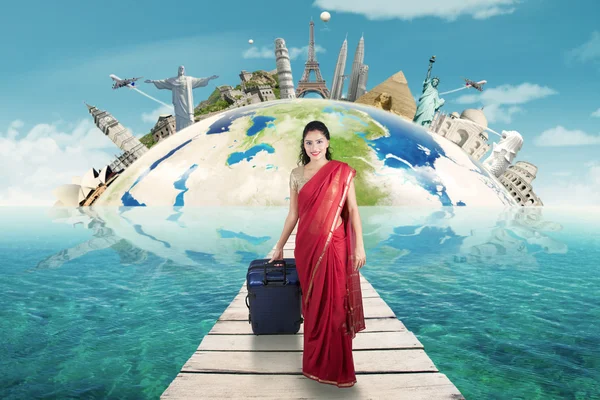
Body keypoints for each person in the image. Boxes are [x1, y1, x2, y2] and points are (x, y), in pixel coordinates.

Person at [269, 120, 367, 388]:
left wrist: (359, 245)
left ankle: (339, 370)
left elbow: (354, 210)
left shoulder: (342, 172)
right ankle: (314, 366)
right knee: (312, 308)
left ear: (328, 142)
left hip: (335, 245)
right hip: (306, 249)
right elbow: (293, 215)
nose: (314, 147)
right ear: (303, 144)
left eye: (319, 141)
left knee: (335, 305)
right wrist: (279, 245)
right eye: (309, 142)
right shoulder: (296, 174)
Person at [145, 65, 218, 132]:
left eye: (183, 68)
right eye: (180, 68)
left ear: (184, 70)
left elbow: (200, 80)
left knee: (189, 117)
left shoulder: (189, 79)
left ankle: (191, 130)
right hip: (178, 101)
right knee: (179, 117)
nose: (181, 69)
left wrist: (209, 78)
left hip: (187, 101)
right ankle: (181, 131)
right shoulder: (173, 80)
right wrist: (153, 81)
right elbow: (163, 82)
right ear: (178, 70)